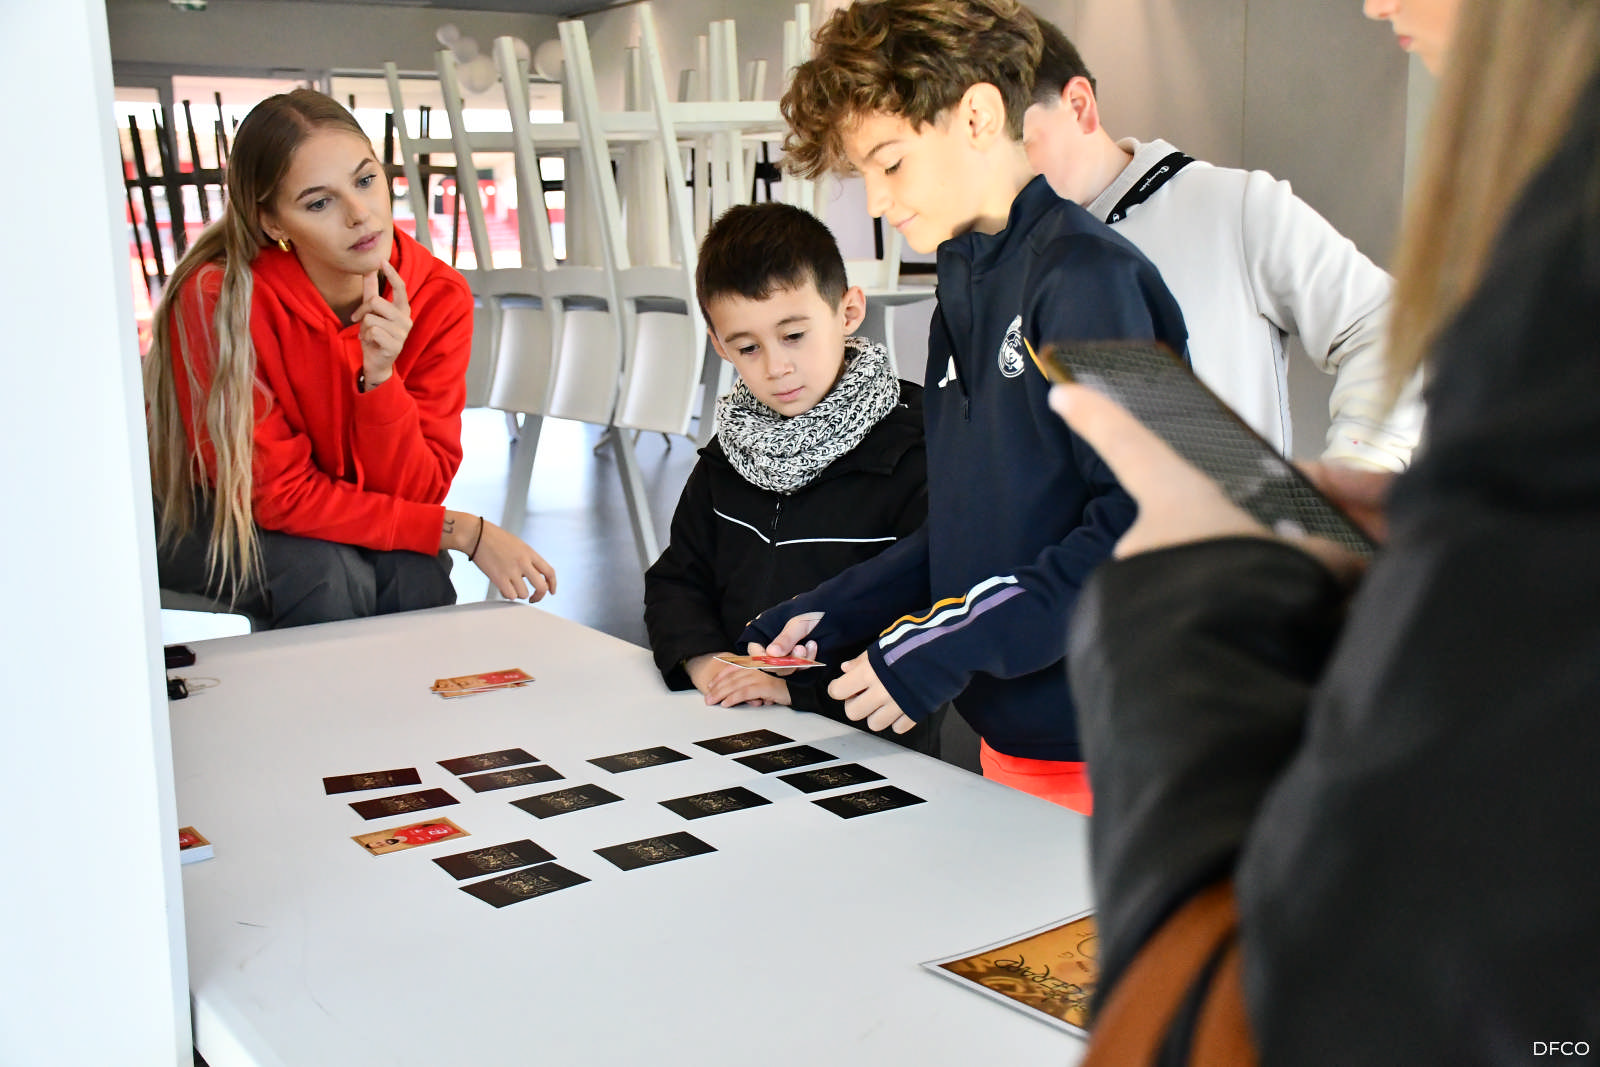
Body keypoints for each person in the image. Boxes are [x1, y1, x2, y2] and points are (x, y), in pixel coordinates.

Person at [1055, 0, 1600, 1060]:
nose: (1371, 2)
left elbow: (1305, 1006)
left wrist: (1190, 589)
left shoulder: (1559, 258)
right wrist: (1436, 543)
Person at [745, 0, 1187, 812]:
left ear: (978, 116)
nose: (875, 202)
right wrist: (833, 612)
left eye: (890, 163)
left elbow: (1143, 529)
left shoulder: (1090, 279)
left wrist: (942, 647)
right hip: (1015, 746)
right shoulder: (961, 296)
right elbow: (973, 530)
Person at [145, 89, 556, 628]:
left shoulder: (439, 296)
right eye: (319, 203)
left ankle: (428, 688)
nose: (360, 215)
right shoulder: (218, 298)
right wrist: (462, 531)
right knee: (323, 572)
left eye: (365, 181)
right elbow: (278, 495)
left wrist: (380, 380)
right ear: (273, 223)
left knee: (413, 570)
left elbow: (416, 493)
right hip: (202, 513)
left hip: (332, 510)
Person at [1022, 15, 1423, 472]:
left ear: (1078, 106)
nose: (998, 175)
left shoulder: (1231, 206)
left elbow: (1387, 327)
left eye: (1020, 144)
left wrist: (1354, 474)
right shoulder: (993, 253)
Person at [643, 203, 940, 754]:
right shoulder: (728, 454)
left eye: (794, 335)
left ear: (848, 312)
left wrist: (795, 690)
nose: (775, 367)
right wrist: (709, 663)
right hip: (728, 729)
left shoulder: (920, 448)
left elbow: (931, 614)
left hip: (870, 752)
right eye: (747, 348)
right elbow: (677, 579)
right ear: (719, 345)